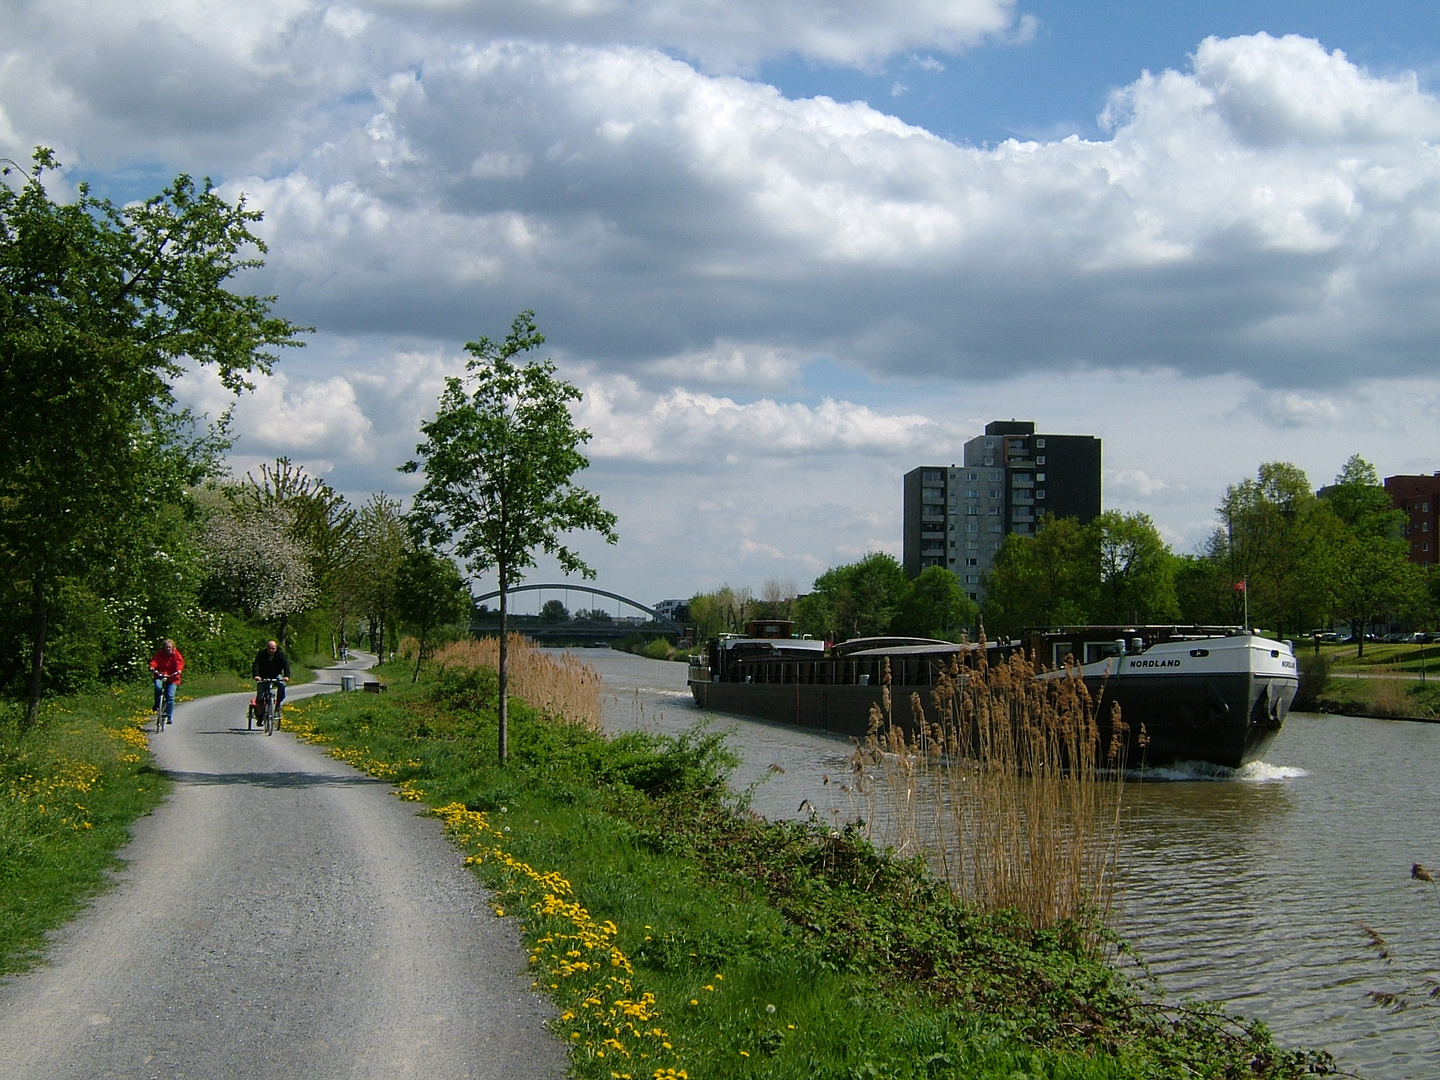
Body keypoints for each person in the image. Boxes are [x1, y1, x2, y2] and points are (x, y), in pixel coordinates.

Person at [148, 639, 185, 725]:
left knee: (170, 696)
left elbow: (179, 663)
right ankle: (157, 704)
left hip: (172, 677)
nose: (168, 649)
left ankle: (169, 716)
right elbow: (155, 661)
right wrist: (152, 667)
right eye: (166, 647)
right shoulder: (160, 654)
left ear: (172, 647)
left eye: (170, 647)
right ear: (163, 647)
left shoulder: (176, 655)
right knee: (158, 687)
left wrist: (178, 670)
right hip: (160, 675)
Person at [252, 639, 292, 715]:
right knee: (260, 695)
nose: (271, 650)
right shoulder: (262, 654)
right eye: (269, 648)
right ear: (266, 648)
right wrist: (256, 675)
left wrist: (286, 676)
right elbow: (256, 664)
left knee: (282, 685)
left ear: (276, 648)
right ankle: (260, 714)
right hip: (263, 676)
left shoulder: (280, 655)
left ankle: (278, 704)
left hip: (275, 675)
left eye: (273, 649)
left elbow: (286, 665)